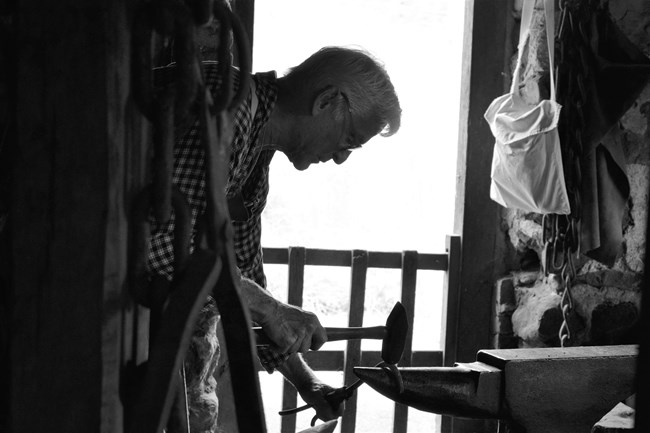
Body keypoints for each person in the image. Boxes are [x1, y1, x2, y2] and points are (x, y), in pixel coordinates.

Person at [149, 46, 401, 432]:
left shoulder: (256, 157)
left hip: (180, 375)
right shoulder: (230, 105)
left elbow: (246, 286)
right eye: (349, 140)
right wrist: (272, 310)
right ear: (327, 101)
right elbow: (165, 247)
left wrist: (307, 381)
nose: (340, 159)